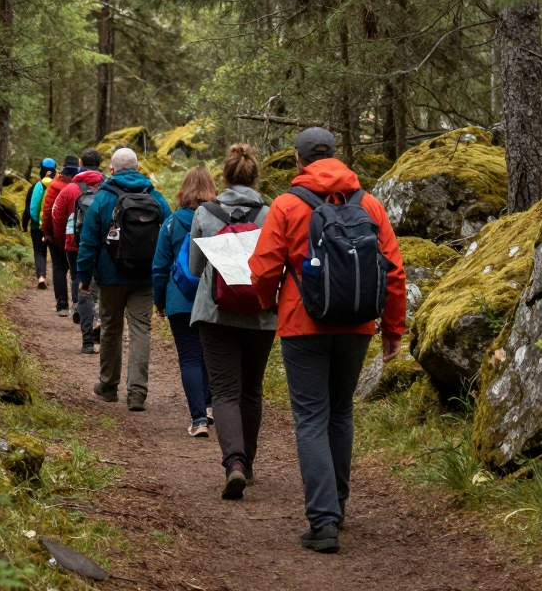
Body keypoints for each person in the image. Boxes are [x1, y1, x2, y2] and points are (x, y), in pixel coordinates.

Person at [249, 127, 406, 554]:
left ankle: (323, 522)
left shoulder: (286, 205)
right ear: (336, 155)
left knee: (311, 418)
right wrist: (393, 329)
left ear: (298, 160)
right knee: (340, 412)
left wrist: (268, 303)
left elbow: (264, 268)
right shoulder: (369, 204)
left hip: (303, 325)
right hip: (357, 325)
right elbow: (393, 271)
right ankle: (337, 504)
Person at [189, 145, 276, 499]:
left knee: (224, 391)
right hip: (261, 313)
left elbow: (195, 267)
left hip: (215, 313)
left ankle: (234, 463)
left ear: (223, 176)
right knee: (251, 390)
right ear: (255, 177)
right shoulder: (270, 213)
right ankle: (248, 464)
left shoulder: (205, 213)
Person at [77, 148, 171, 411]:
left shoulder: (103, 197)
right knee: (141, 330)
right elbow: (169, 235)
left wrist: (84, 276)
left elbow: (88, 241)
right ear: (138, 168)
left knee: (111, 328)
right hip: (145, 276)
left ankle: (108, 386)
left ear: (112, 169)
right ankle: (137, 392)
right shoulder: (155, 197)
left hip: (111, 275)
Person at [152, 166, 216, 437]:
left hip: (179, 298)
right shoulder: (218, 220)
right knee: (209, 355)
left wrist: (160, 302)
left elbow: (160, 267)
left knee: (190, 357)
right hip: (213, 298)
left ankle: (198, 419)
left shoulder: (172, 222)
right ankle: (210, 406)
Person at [51, 148, 105, 354]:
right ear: (100, 164)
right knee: (100, 285)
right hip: (103, 245)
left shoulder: (70, 189)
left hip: (75, 243)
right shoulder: (108, 187)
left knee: (81, 284)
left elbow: (57, 214)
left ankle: (87, 341)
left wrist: (60, 239)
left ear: (81, 163)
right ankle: (99, 321)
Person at [42, 155, 81, 316]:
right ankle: (78, 303)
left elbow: (47, 211)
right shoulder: (80, 186)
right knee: (76, 269)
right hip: (76, 235)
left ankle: (62, 304)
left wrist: (47, 232)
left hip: (57, 235)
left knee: (59, 267)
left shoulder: (55, 185)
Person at [22, 157, 57, 289]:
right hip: (54, 226)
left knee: (39, 252)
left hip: (37, 226)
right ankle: (58, 278)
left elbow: (29, 209)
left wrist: (25, 225)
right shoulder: (57, 186)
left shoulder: (35, 187)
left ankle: (41, 277)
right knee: (55, 253)